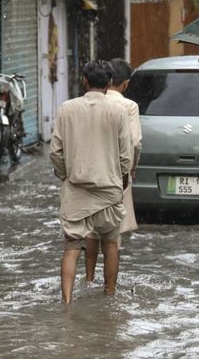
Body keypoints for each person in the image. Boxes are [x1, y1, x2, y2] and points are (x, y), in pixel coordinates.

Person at [50, 60, 132, 302]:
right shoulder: (119, 111)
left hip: (77, 192)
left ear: (84, 80)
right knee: (110, 244)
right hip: (109, 190)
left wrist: (67, 175)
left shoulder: (67, 109)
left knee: (72, 247)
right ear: (109, 83)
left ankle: (66, 302)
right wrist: (120, 178)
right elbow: (125, 155)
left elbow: (55, 152)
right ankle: (109, 297)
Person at [84, 58, 141, 283]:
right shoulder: (128, 106)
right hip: (116, 174)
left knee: (90, 231)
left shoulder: (85, 103)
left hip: (89, 173)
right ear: (125, 83)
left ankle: (88, 278)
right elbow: (134, 143)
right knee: (112, 236)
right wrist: (130, 168)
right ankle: (109, 290)